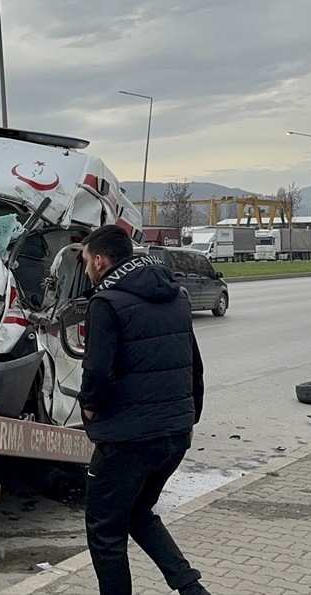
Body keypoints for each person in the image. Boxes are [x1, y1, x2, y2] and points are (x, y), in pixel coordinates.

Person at [78, 225, 210, 595]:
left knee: (105, 531)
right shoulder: (176, 295)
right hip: (174, 434)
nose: (86, 270)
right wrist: (189, 419)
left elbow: (97, 371)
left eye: (86, 261)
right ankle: (192, 590)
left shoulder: (106, 303)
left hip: (127, 440)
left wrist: (89, 408)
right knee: (137, 512)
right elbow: (194, 365)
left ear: (100, 261)